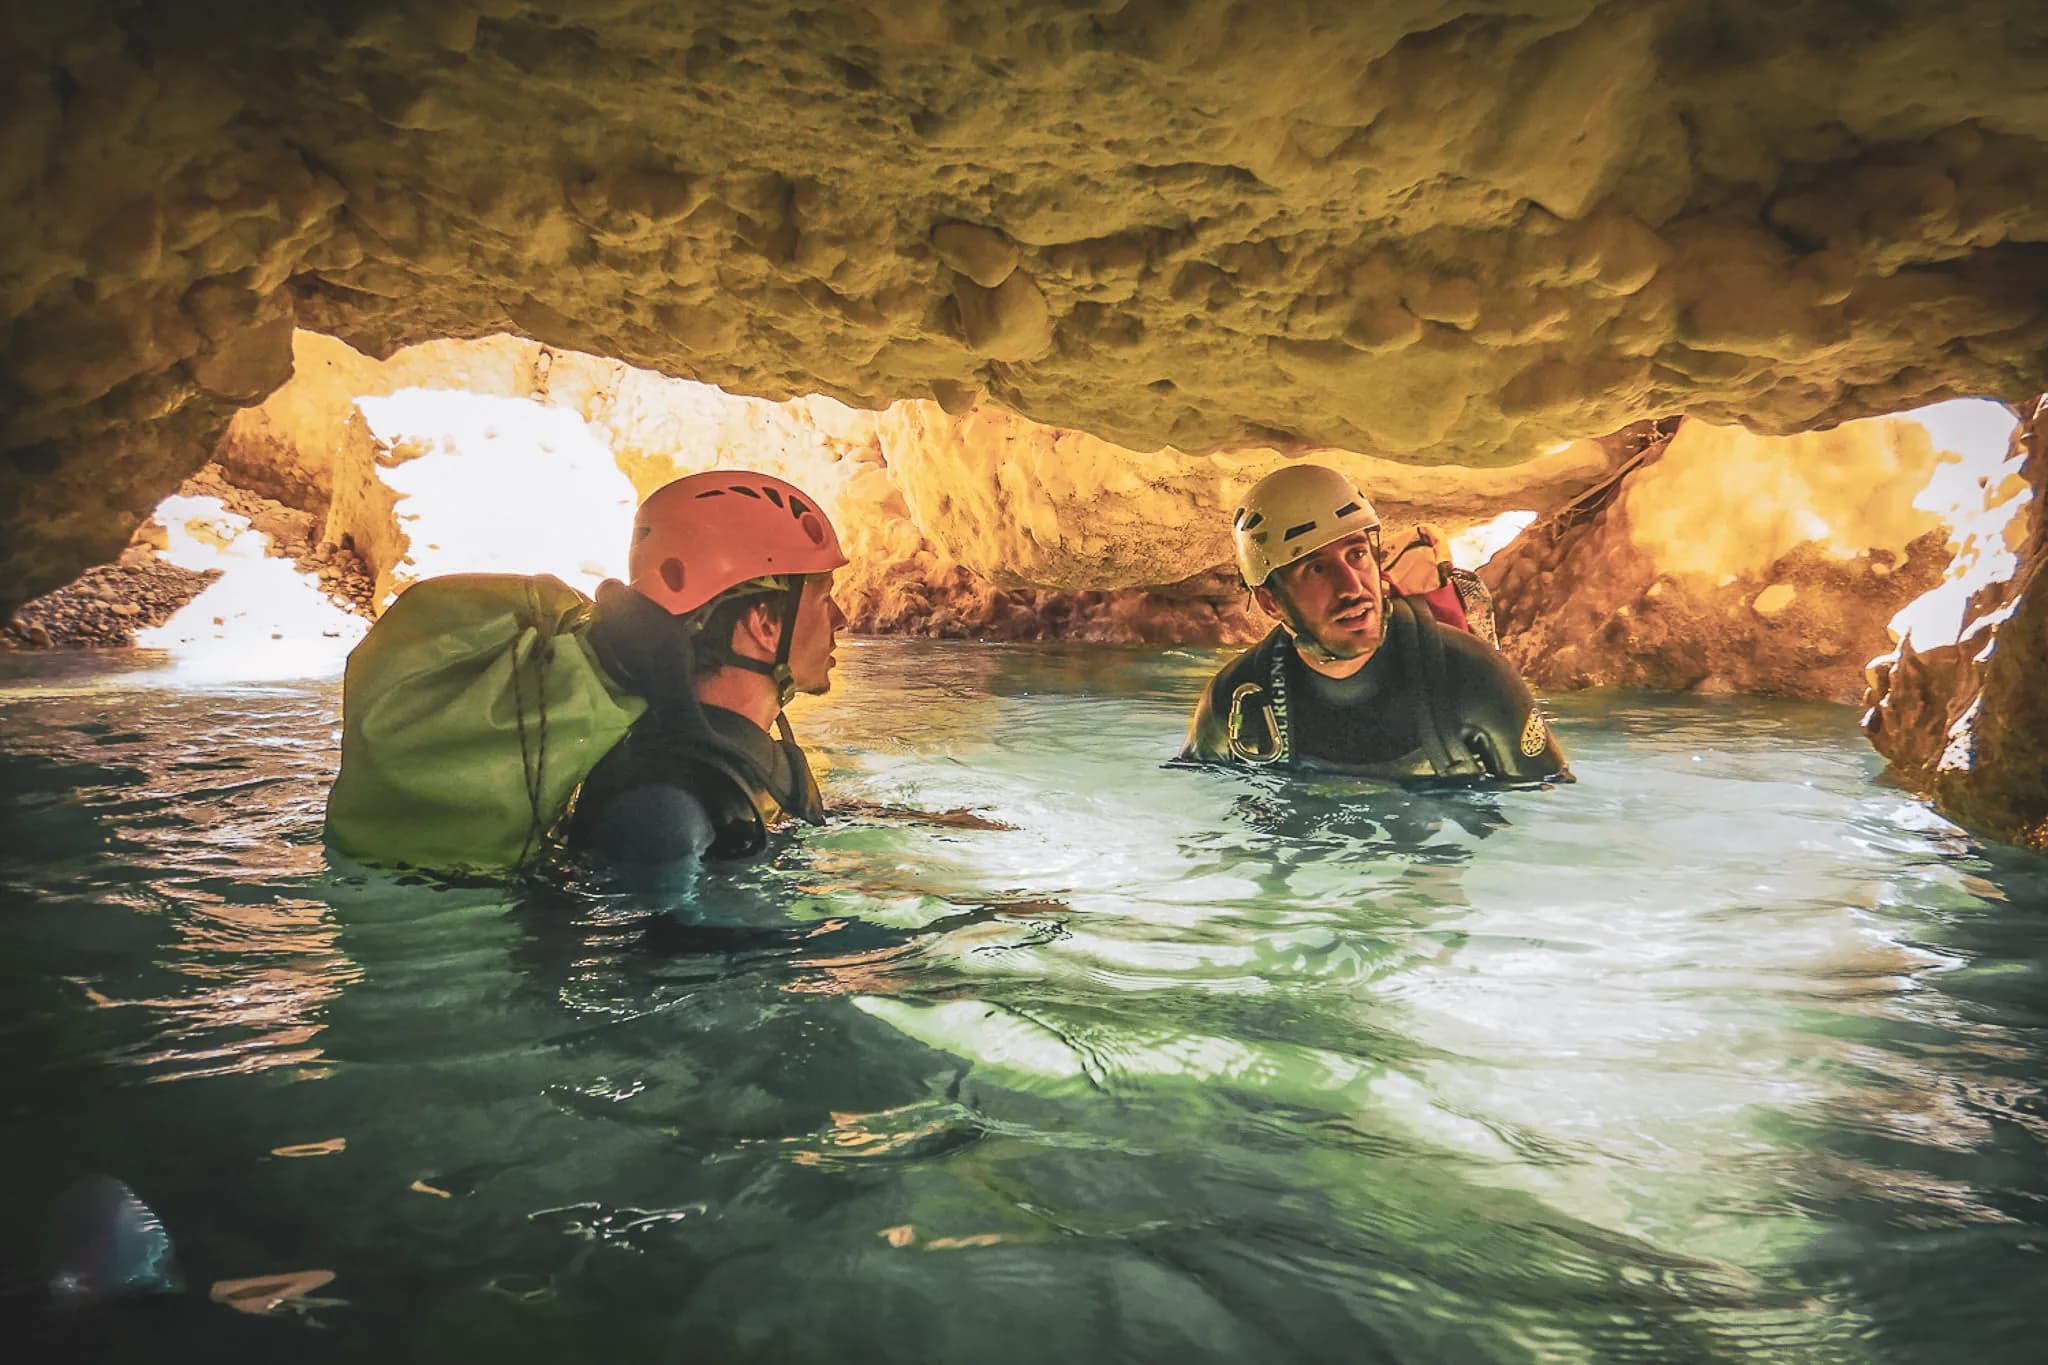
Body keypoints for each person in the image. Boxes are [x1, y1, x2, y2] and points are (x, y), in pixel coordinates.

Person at [1179, 464, 1572, 782]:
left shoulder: (1472, 677)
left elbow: (1545, 817)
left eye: (1357, 555)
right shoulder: (1236, 701)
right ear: (1271, 602)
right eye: (1316, 569)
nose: (1351, 587)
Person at [569, 469, 849, 867]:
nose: (841, 619)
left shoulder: (740, 757)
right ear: (765, 623)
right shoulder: (665, 804)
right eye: (824, 598)